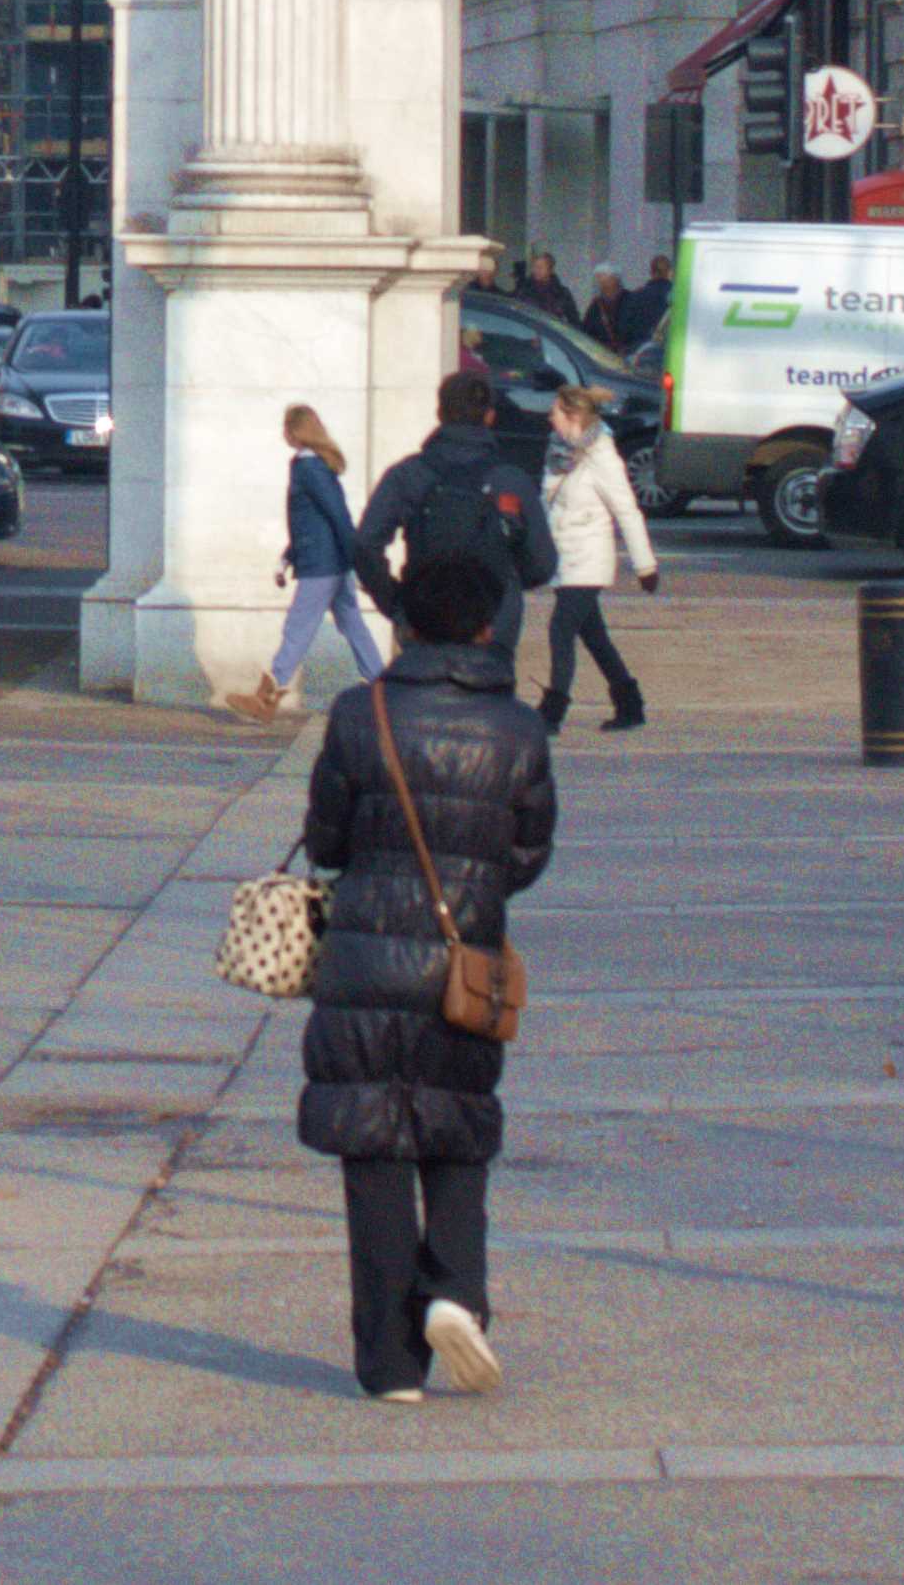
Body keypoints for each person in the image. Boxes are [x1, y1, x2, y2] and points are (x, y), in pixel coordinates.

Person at [297, 552, 559, 1402]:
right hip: (464, 960)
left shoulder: (357, 711)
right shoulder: (518, 728)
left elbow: (327, 841)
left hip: (365, 956)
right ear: (488, 628)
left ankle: (391, 1366)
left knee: (372, 1143)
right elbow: (527, 851)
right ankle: (454, 1291)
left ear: (403, 625)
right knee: (458, 1129)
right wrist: (472, 886)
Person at [352, 366, 557, 643]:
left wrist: (397, 602)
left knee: (418, 683)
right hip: (493, 622)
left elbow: (365, 544)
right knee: (489, 685)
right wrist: (506, 590)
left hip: (423, 618)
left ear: (439, 414)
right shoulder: (510, 480)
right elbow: (543, 563)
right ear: (490, 416)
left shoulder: (408, 474)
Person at [227, 405, 384, 724]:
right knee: (352, 622)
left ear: (296, 431)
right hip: (330, 561)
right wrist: (288, 557)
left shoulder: (308, 467)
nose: (282, 434)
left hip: (322, 565)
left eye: (286, 428)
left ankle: (266, 698)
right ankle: (383, 689)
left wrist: (358, 558)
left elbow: (337, 516)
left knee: (297, 627)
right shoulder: (317, 466)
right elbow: (313, 521)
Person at [532, 385, 658, 735]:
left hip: (588, 559)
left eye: (555, 411)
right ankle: (630, 704)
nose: (549, 417)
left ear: (573, 416)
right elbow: (547, 505)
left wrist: (645, 565)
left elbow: (627, 511)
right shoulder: (558, 451)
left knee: (561, 629)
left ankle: (552, 712)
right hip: (564, 556)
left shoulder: (603, 457)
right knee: (594, 636)